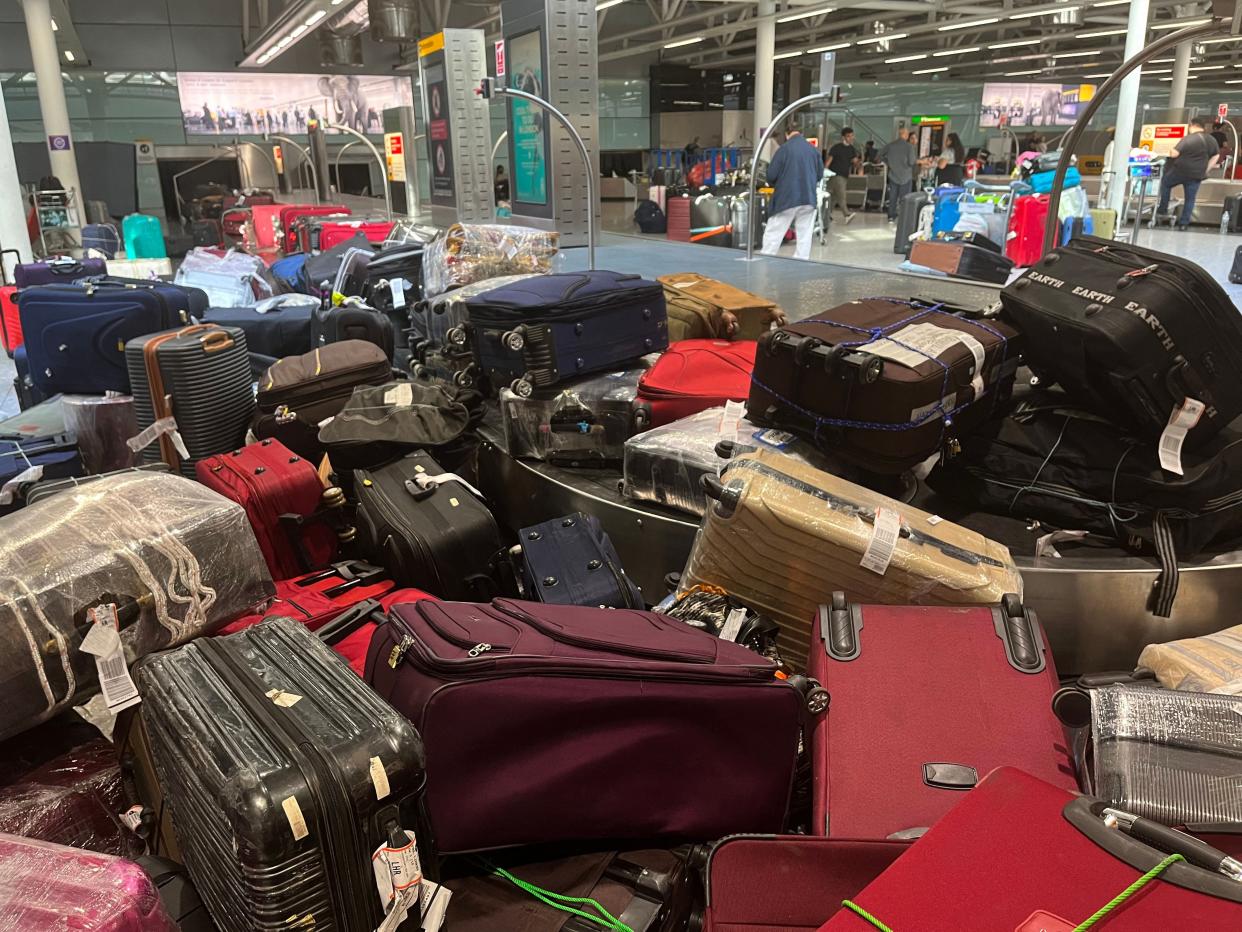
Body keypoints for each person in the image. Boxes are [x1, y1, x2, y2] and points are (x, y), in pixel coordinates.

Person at [760, 123, 825, 260]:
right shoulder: (813, 150)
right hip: (808, 197)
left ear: (786, 134)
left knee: (774, 233)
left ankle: (765, 261)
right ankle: (801, 263)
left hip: (787, 198)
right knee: (805, 234)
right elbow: (819, 175)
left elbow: (771, 175)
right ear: (801, 133)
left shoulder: (784, 149)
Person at [1157, 115, 1220, 230]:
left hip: (1180, 171)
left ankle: (1163, 209)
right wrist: (1206, 169)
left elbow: (1174, 154)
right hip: (1196, 174)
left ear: (1192, 125)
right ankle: (1183, 224)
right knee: (1190, 198)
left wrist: (1170, 149)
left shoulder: (1188, 139)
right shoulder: (1211, 140)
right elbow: (1216, 155)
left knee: (1166, 183)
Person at [880, 127, 919, 222]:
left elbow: (879, 154)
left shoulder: (891, 145)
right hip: (906, 175)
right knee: (904, 198)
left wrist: (888, 162)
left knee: (893, 196)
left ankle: (891, 216)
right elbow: (911, 162)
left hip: (893, 175)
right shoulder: (909, 147)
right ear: (905, 135)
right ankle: (903, 216)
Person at [825, 127, 860, 223]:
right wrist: (824, 171)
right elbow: (829, 161)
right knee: (841, 195)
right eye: (848, 136)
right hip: (836, 175)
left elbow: (855, 161)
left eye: (852, 136)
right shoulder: (836, 148)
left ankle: (827, 216)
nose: (851, 138)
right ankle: (846, 214)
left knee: (834, 197)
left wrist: (858, 164)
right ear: (843, 137)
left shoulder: (852, 149)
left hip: (844, 175)